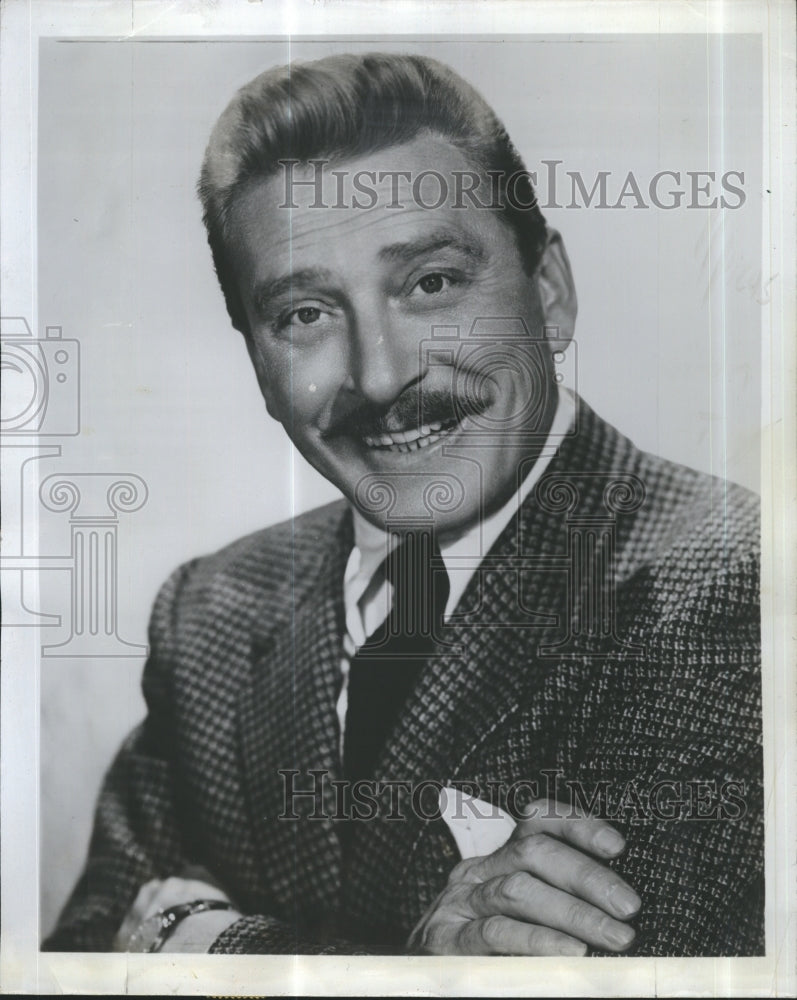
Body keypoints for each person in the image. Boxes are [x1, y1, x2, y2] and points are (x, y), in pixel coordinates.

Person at [43, 52, 763, 957]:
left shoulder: (729, 581)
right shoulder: (213, 611)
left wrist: (198, 942)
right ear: (255, 359)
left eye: (430, 283)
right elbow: (80, 956)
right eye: (305, 313)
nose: (381, 376)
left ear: (548, 293)